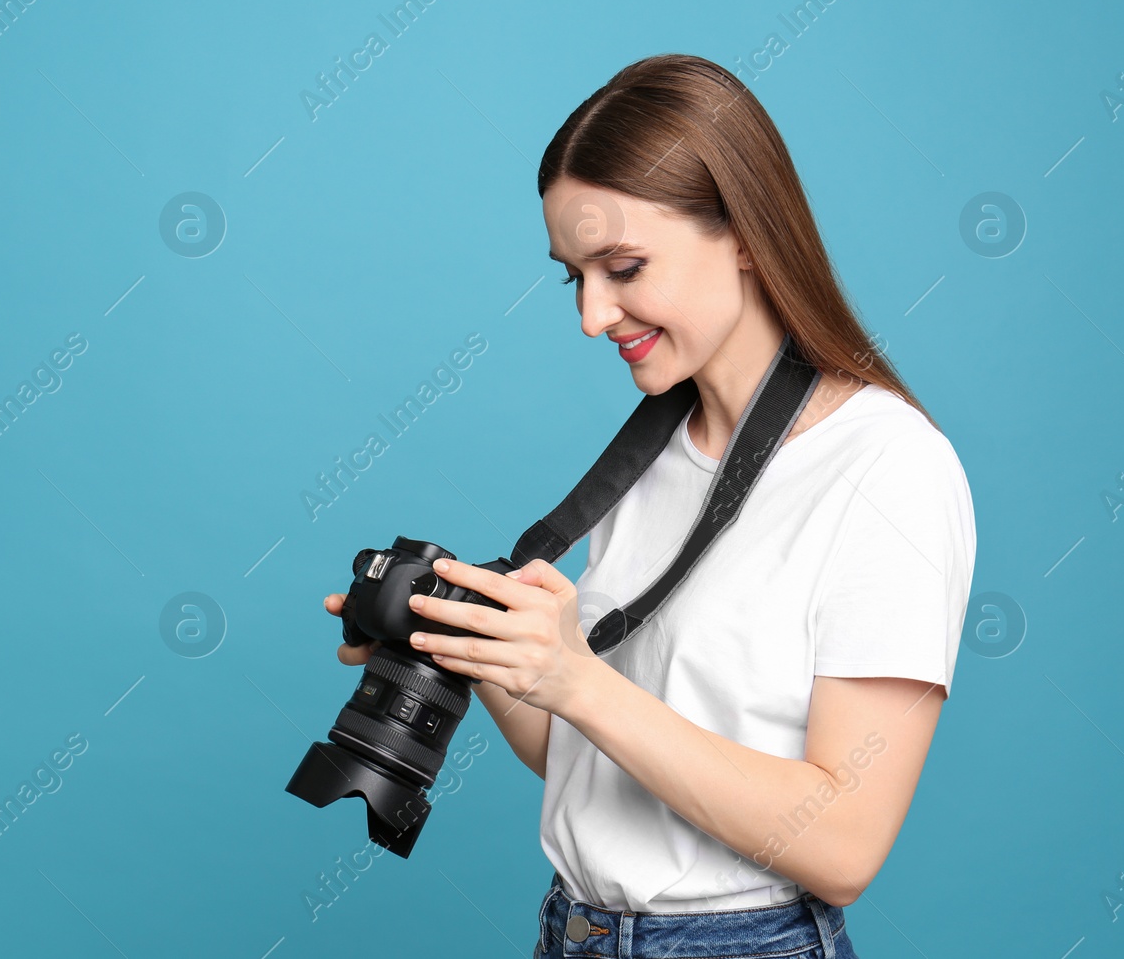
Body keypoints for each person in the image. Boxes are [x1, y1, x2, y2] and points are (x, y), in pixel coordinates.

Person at [324, 53, 976, 959]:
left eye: (624, 266)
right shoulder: (655, 450)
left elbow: (843, 844)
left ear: (745, 231)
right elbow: (587, 759)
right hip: (576, 929)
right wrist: (473, 646)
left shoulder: (888, 466)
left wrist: (578, 681)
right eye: (574, 277)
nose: (593, 315)